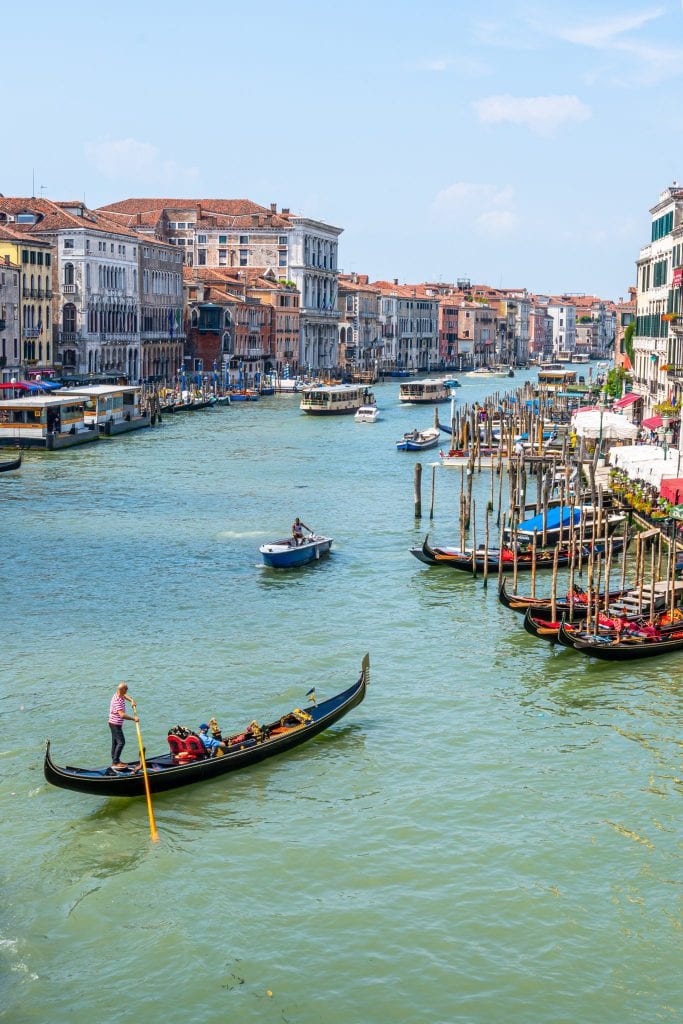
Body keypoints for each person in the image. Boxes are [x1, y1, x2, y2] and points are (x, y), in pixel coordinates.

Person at [108, 682, 138, 769]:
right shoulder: (117, 700)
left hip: (113, 723)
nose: (127, 690)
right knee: (121, 742)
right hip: (115, 723)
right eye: (126, 689)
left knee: (115, 742)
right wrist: (134, 719)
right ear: (121, 689)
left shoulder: (120, 694)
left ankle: (115, 761)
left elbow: (125, 696)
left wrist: (131, 700)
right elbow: (122, 715)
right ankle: (116, 762)